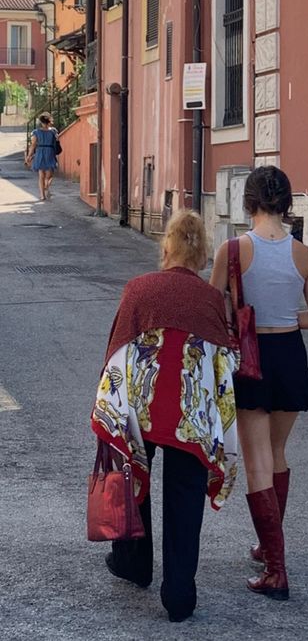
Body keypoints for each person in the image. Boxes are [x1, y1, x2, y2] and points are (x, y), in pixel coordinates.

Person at [91, 210, 238, 623]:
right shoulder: (211, 299)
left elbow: (116, 352)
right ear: (203, 254)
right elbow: (221, 364)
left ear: (166, 247)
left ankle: (134, 565)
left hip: (140, 407)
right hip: (189, 412)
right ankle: (179, 595)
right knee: (185, 494)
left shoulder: (138, 289)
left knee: (128, 471)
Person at [210, 165, 308, 601]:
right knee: (277, 452)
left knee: (256, 458)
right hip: (290, 356)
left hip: (251, 358)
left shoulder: (234, 250)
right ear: (286, 202)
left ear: (249, 200)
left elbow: (213, 308)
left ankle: (276, 570)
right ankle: (266, 545)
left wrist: (244, 321)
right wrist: (282, 318)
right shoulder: (305, 254)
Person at [26, 112, 58, 201]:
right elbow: (33, 145)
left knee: (46, 175)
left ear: (41, 122)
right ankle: (42, 194)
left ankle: (45, 189)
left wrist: (29, 155)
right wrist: (29, 155)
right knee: (46, 174)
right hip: (48, 152)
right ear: (49, 121)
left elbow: (33, 145)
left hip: (42, 152)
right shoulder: (52, 131)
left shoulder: (38, 132)